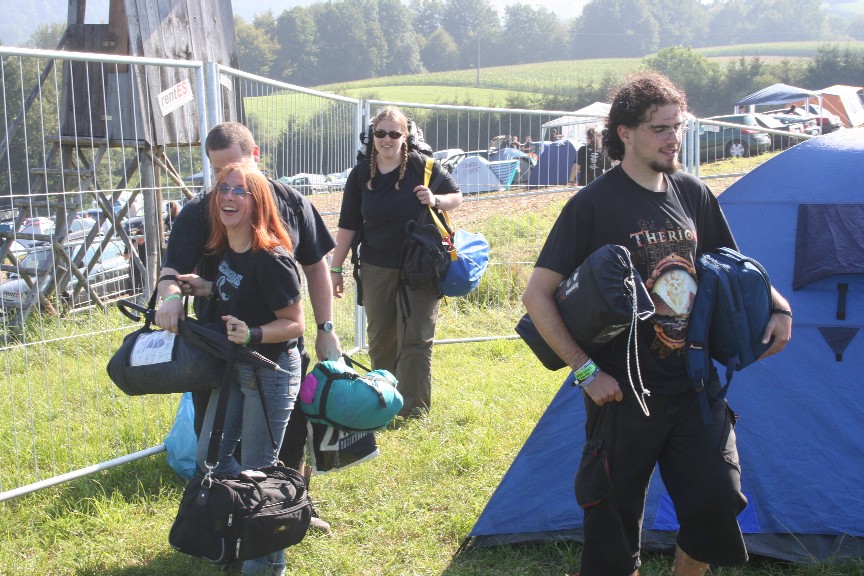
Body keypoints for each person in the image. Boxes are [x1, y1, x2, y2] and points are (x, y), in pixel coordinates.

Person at [522, 71, 792, 576]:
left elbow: (733, 265)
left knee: (718, 501)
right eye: (661, 128)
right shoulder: (592, 205)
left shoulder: (692, 192)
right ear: (625, 133)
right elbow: (536, 295)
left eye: (678, 127)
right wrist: (585, 371)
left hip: (694, 385)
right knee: (612, 525)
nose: (674, 139)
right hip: (623, 394)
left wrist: (779, 307)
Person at [155, 121, 340, 531]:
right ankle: (227, 523)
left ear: (255, 156)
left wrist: (325, 327)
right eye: (218, 174)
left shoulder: (291, 203)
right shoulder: (202, 211)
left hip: (275, 352)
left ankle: (286, 515)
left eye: (235, 171)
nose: (227, 187)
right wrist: (172, 297)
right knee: (217, 443)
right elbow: (172, 274)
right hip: (218, 352)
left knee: (283, 442)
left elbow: (315, 268)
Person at [181, 161, 304, 576]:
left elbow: (294, 324)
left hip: (271, 370)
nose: (229, 197)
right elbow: (237, 290)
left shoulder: (271, 258)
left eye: (239, 191)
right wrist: (205, 288)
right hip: (234, 367)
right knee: (210, 458)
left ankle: (266, 565)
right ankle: (243, 526)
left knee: (258, 473)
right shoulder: (222, 251)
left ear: (257, 202)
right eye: (223, 189)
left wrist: (252, 333)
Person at [328, 106, 462, 418]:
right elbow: (348, 225)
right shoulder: (361, 174)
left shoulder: (422, 166)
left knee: (416, 337)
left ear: (405, 136)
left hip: (420, 267)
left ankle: (413, 410)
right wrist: (335, 268)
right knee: (381, 340)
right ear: (372, 136)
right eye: (380, 133)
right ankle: (384, 404)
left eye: (394, 133)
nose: (387, 139)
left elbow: (456, 196)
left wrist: (435, 199)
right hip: (376, 268)